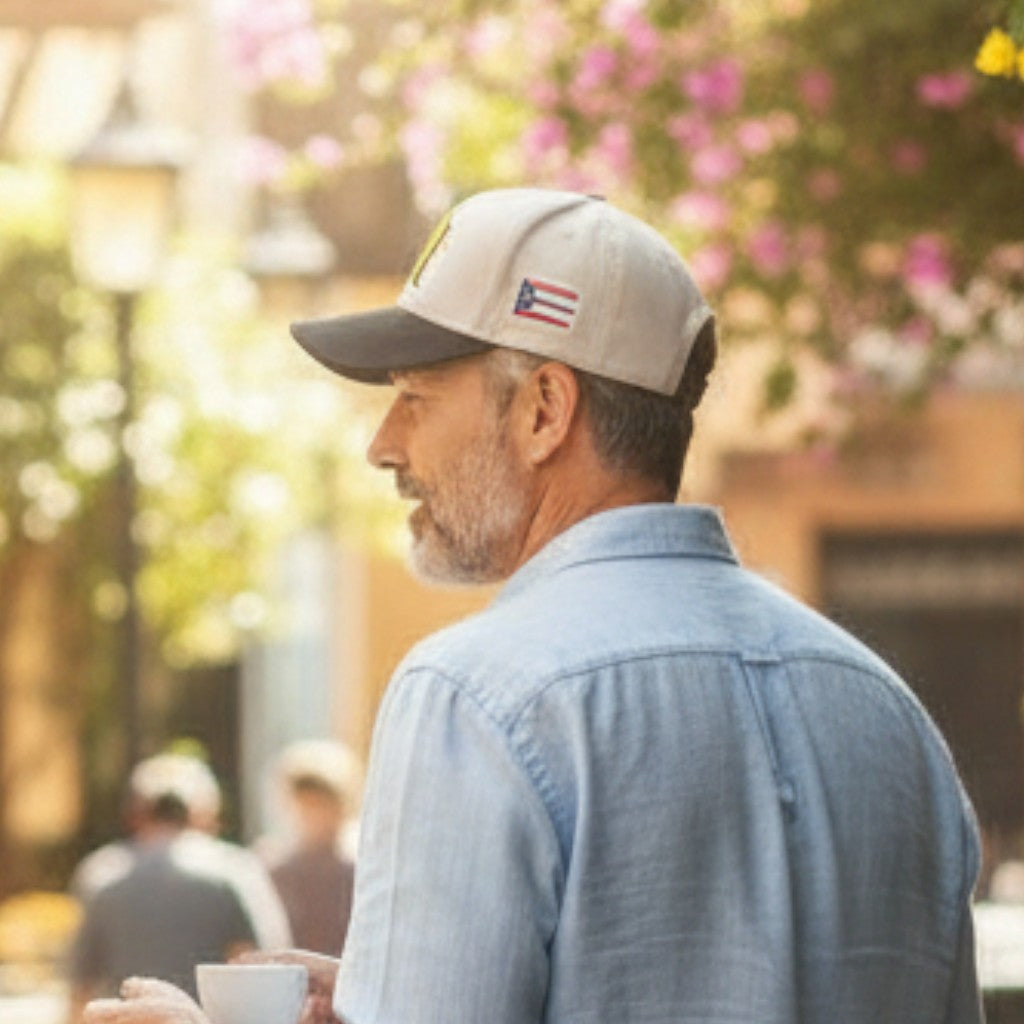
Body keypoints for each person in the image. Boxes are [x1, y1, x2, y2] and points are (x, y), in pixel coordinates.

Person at [84, 188, 984, 1024]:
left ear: (547, 409)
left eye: (414, 395)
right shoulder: (885, 709)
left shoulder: (475, 694)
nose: (381, 445)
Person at [68, 753, 292, 1020]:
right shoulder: (235, 870)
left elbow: (81, 983)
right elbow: (264, 966)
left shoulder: (103, 874)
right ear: (204, 813)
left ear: (137, 814)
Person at [256, 740, 362, 955]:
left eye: (322, 804)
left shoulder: (361, 866)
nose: (314, 815)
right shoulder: (273, 867)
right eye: (306, 805)